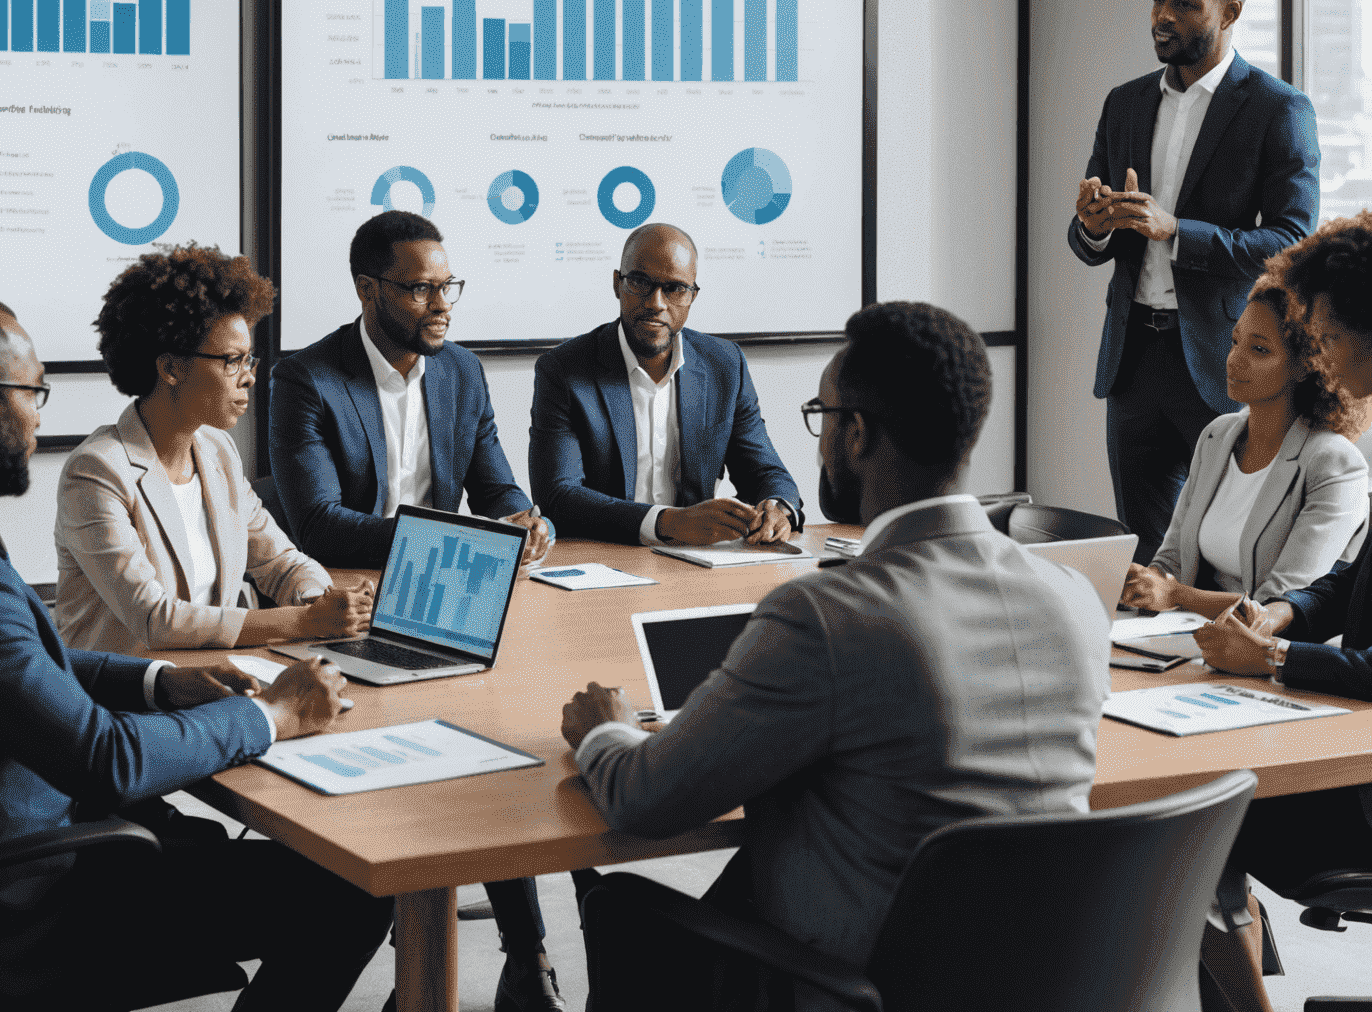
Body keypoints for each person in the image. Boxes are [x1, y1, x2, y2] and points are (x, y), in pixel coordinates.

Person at [0, 290, 390, 1011]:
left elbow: (18, 661)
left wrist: (162, 683)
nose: (40, 414)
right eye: (33, 391)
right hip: (35, 901)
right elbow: (109, 759)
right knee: (348, 890)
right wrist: (272, 719)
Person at [562, 302, 1110, 1011]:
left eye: (822, 417)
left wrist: (606, 730)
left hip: (861, 985)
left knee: (623, 909)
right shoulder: (1072, 597)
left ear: (855, 433)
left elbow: (645, 799)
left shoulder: (825, 617)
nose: (819, 441)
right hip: (1047, 978)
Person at [268, 209, 563, 1012]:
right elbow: (316, 522)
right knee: (472, 739)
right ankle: (507, 957)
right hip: (346, 608)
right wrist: (449, 537)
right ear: (369, 289)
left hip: (446, 599)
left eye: (447, 286)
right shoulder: (306, 377)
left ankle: (525, 957)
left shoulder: (461, 372)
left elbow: (498, 484)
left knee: (500, 735)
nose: (441, 304)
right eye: (421, 288)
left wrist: (522, 522)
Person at [1068, 0, 1320, 563]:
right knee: (1147, 552)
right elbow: (1090, 242)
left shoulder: (1277, 109)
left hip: (1228, 358)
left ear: (1229, 11)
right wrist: (1094, 225)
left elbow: (1293, 240)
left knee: (1230, 548)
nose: (1163, 15)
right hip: (1133, 360)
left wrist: (1178, 230)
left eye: (1184, 2)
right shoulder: (1124, 103)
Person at [1187, 213, 1372, 1012]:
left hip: (1361, 783)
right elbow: (1348, 581)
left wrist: (1272, 662)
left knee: (1193, 809)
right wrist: (1286, 615)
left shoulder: (1334, 456)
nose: (1319, 348)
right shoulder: (1217, 435)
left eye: (1327, 330)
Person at [56, 245, 372, 656]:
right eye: (232, 361)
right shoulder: (96, 471)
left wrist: (323, 601)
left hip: (211, 681)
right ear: (171, 368)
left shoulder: (217, 452)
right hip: (124, 698)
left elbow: (281, 563)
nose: (249, 378)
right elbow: (156, 619)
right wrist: (304, 621)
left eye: (249, 360)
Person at [529, 222, 802, 545]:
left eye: (675, 289)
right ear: (617, 284)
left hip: (696, 563)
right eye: (640, 282)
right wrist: (666, 522)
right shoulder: (564, 369)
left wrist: (777, 508)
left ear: (692, 296)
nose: (657, 302)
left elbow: (765, 472)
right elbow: (558, 496)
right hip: (604, 559)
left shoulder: (725, 365)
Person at [1121, 276, 1367, 621]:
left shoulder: (1334, 464)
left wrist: (1176, 594)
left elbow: (1281, 605)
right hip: (1182, 633)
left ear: (1304, 364)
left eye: (1259, 349)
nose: (1234, 360)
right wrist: (1143, 581)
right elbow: (1172, 559)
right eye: (1234, 342)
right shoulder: (1217, 437)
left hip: (1264, 652)